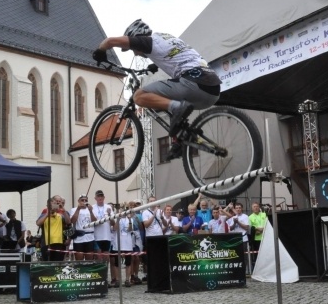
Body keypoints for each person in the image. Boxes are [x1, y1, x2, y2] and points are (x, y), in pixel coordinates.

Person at [93, 19, 221, 160]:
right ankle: (180, 140)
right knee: (167, 101)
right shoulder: (165, 38)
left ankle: (177, 109)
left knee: (139, 96)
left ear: (136, 36)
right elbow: (176, 55)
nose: (135, 54)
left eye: (133, 49)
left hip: (194, 83)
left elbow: (110, 41)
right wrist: (155, 65)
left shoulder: (146, 41)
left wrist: (100, 51)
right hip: (213, 91)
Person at [36, 197, 69, 261]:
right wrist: (47, 214)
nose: (55, 205)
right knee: (47, 263)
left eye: (56, 203)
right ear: (48, 205)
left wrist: (63, 211)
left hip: (59, 243)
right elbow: (38, 223)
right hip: (46, 243)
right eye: (53, 203)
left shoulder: (60, 215)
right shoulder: (44, 213)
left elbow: (68, 223)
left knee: (58, 263)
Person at [110, 210, 135, 288]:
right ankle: (117, 280)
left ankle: (127, 279)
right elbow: (115, 228)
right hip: (118, 243)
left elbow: (130, 229)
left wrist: (130, 220)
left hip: (127, 243)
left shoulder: (130, 219)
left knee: (128, 262)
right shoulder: (116, 218)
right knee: (117, 263)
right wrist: (118, 219)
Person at [70, 194, 97, 261]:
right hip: (79, 237)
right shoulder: (74, 210)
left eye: (86, 200)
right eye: (82, 200)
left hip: (90, 237)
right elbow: (72, 221)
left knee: (89, 259)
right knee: (79, 259)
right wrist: (78, 209)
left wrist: (91, 211)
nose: (84, 202)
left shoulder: (91, 209)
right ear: (79, 201)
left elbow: (95, 222)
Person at [91, 190, 113, 265]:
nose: (100, 198)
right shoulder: (92, 207)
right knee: (98, 258)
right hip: (97, 236)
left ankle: (105, 271)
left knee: (106, 258)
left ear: (104, 197)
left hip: (107, 236)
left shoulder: (108, 207)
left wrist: (109, 215)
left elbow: (112, 223)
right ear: (95, 198)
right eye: (98, 196)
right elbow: (92, 221)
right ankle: (99, 271)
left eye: (101, 196)